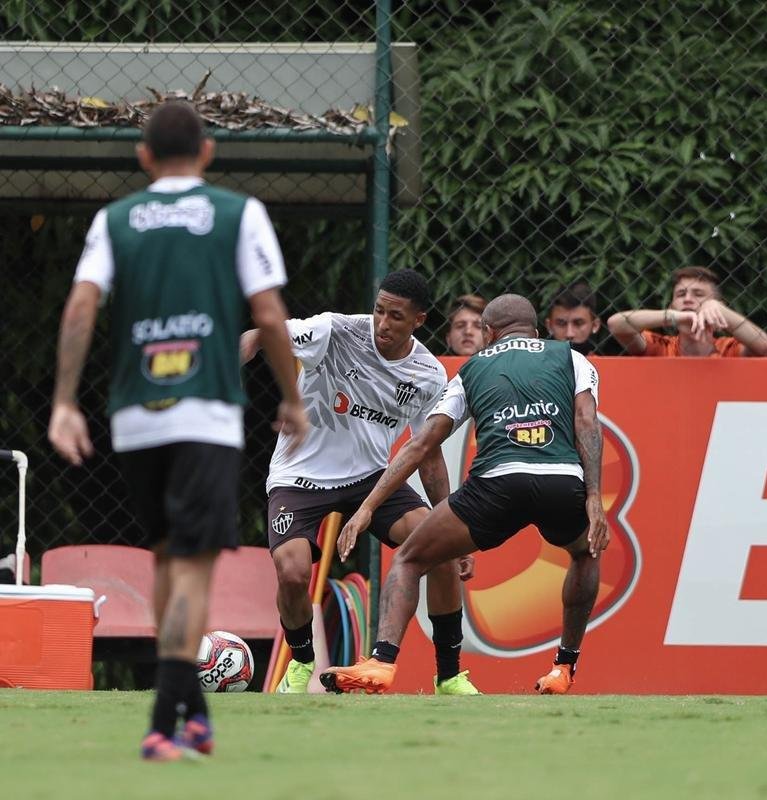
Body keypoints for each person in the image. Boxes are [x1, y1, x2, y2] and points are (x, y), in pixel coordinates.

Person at [47, 101, 308, 762]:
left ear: (142, 156)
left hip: (136, 418)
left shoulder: (117, 219)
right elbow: (270, 315)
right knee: (191, 566)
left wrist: (64, 401)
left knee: (168, 560)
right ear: (209, 151)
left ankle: (190, 712)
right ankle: (166, 719)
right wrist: (293, 397)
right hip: (206, 413)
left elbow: (81, 303)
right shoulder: (236, 212)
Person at [320, 294, 609, 695]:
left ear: (489, 333)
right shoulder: (572, 358)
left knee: (409, 558)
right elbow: (586, 422)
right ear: (538, 331)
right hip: (561, 480)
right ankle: (564, 667)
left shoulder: (472, 369)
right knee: (584, 552)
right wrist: (593, 496)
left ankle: (382, 662)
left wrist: (368, 506)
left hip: (496, 486)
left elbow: (421, 445)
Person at [240, 269, 480, 697]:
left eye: (396, 317)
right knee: (293, 572)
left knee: (441, 549)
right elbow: (263, 333)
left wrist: (451, 521)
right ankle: (301, 663)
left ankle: (448, 676)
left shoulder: (427, 374)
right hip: (299, 476)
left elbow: (426, 454)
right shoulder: (334, 331)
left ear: (419, 320)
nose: (382, 325)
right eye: (378, 311)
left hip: (370, 480)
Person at [607, 266, 767, 357]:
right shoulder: (660, 347)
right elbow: (616, 324)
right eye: (681, 294)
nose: (687, 299)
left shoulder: (729, 349)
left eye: (698, 294)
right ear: (672, 307)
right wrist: (671, 316)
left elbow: (763, 345)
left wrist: (719, 310)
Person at [546, 280, 602, 355]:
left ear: (595, 325)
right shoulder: (537, 365)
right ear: (549, 326)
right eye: (561, 324)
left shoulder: (606, 366)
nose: (569, 334)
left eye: (578, 323)